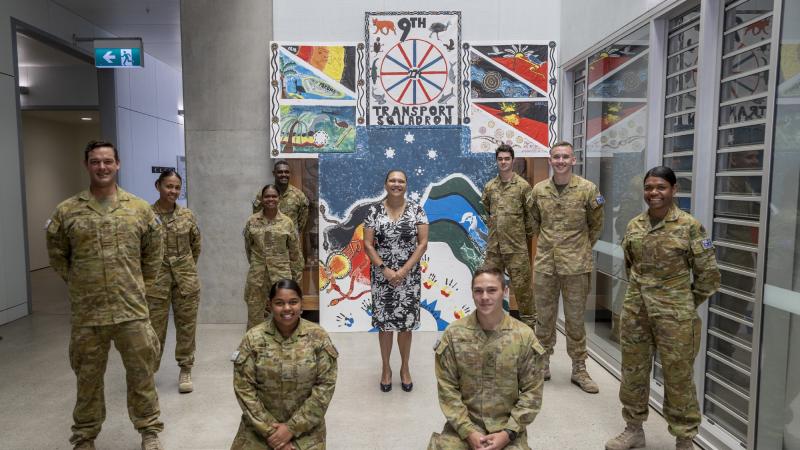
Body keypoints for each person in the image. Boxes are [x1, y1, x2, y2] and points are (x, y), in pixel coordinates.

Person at [46, 140, 165, 450]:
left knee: (142, 375)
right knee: (87, 379)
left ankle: (149, 431)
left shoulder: (138, 209)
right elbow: (58, 255)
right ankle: (84, 436)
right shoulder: (67, 211)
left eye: (108, 161)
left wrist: (137, 285)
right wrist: (81, 284)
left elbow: (153, 256)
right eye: (96, 161)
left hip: (132, 311)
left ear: (118, 165)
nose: (102, 167)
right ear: (87, 165)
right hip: (88, 314)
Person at [606, 166, 720, 450]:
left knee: (678, 376)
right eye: (649, 188)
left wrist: (683, 303)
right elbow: (631, 266)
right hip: (636, 314)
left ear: (673, 190)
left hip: (675, 318)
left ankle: (684, 439)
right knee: (633, 372)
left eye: (660, 187)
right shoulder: (634, 225)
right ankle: (633, 429)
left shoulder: (689, 226)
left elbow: (709, 276)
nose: (653, 193)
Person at [429, 266, 545, 450]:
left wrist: (508, 434)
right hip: (464, 428)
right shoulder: (454, 334)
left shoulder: (523, 336)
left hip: (507, 430)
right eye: (478, 291)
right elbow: (447, 389)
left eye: (492, 290)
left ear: (504, 291)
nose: (484, 297)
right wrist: (468, 432)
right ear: (472, 293)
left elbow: (532, 393)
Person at [530, 141, 604, 393]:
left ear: (574, 160)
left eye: (565, 157)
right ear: (550, 161)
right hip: (546, 265)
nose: (560, 161)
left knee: (575, 320)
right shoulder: (539, 191)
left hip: (576, 266)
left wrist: (580, 248)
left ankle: (579, 368)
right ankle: (542, 363)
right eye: (556, 157)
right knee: (544, 318)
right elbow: (534, 224)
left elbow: (596, 225)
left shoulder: (587, 189)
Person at [231, 279, 338, 450]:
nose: (287, 308)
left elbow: (325, 388)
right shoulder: (253, 338)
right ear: (270, 305)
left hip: (306, 429)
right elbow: (244, 390)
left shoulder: (318, 337)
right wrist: (271, 432)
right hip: (259, 429)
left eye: (293, 302)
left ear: (301, 304)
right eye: (279, 303)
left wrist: (291, 429)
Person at [363, 169, 429, 392]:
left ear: (406, 185)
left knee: (405, 327)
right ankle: (385, 368)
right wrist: (385, 270)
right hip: (382, 278)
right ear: (385, 184)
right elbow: (368, 244)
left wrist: (402, 271)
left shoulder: (417, 210)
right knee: (384, 327)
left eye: (401, 180)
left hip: (408, 278)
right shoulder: (373, 211)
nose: (396, 184)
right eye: (392, 180)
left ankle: (405, 368)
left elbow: (422, 243)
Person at [146, 170, 202, 393]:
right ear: (158, 186)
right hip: (156, 282)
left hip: (185, 281)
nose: (173, 191)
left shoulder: (187, 215)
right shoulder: (146, 215)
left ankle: (185, 368)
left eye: (177, 187)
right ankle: (149, 371)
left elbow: (195, 246)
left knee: (186, 326)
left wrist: (184, 268)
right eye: (169, 186)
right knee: (153, 329)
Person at [481, 144, 536, 330]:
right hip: (494, 250)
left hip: (516, 249)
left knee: (524, 293)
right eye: (500, 159)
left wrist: (521, 237)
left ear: (513, 160)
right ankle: (490, 328)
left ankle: (530, 333)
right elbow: (487, 210)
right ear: (497, 161)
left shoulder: (523, 187)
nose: (503, 162)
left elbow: (530, 219)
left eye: (507, 159)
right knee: (489, 289)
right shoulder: (490, 187)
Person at [243, 184, 304, 330]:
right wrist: (257, 265)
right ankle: (255, 349)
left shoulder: (287, 222)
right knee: (255, 315)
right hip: (257, 277)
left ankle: (287, 348)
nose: (271, 199)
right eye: (267, 196)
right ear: (262, 199)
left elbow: (295, 254)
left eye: (274, 196)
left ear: (279, 199)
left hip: (281, 276)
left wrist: (295, 280)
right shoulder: (252, 221)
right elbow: (248, 249)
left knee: (286, 315)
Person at [252, 160, 310, 235]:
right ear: (274, 173)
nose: (284, 174)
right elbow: (257, 216)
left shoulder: (299, 195)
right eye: (280, 172)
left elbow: (303, 220)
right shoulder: (263, 194)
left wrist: (293, 232)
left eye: (286, 172)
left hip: (290, 241)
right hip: (269, 239)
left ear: (290, 173)